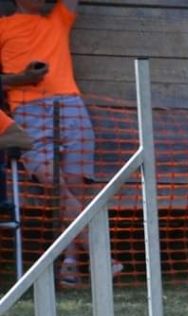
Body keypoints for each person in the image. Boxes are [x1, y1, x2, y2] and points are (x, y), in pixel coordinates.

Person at [0, 0, 111, 287]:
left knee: (74, 188)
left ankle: (70, 264)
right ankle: (100, 255)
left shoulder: (58, 19)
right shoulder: (3, 26)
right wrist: (22, 78)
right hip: (28, 108)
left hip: (71, 104)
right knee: (53, 181)